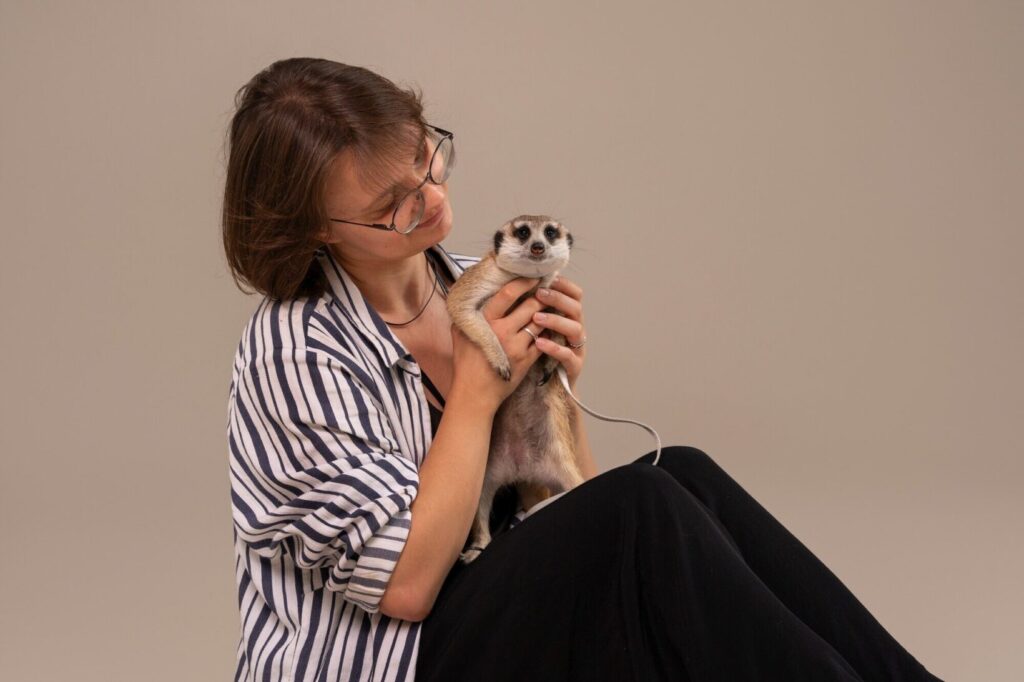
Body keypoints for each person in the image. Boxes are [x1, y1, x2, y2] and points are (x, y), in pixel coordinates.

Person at [222, 57, 944, 681]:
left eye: (427, 158)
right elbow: (406, 587)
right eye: (395, 205)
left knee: (677, 476)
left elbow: (568, 509)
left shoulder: (479, 283)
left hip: (487, 613)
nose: (436, 199)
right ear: (313, 226)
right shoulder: (298, 354)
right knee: (641, 508)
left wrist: (554, 394)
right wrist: (476, 398)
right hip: (395, 659)